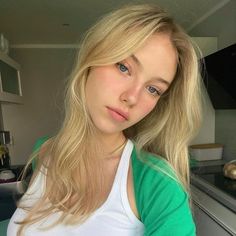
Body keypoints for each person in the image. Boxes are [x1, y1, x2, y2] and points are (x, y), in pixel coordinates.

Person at [7, 3, 203, 236]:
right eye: (123, 67)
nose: (131, 97)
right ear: (92, 59)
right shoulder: (44, 150)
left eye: (153, 89)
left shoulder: (157, 184)